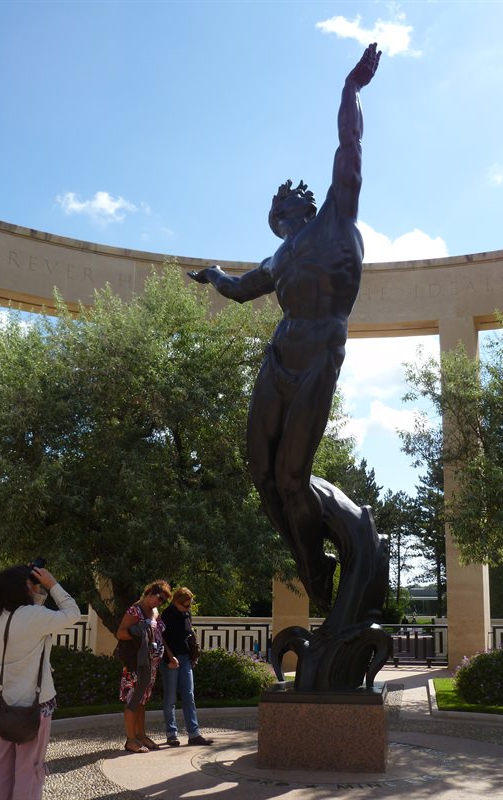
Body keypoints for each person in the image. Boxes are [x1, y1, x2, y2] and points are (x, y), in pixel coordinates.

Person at [189, 44, 381, 613]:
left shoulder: (336, 221)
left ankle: (326, 569)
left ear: (301, 207)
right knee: (261, 471)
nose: (281, 211)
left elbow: (351, 147)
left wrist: (350, 90)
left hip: (319, 357)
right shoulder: (278, 261)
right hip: (279, 361)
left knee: (292, 476)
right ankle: (309, 561)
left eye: (285, 205)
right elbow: (238, 288)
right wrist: (213, 273)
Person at [0, 564, 81, 800]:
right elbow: (73, 613)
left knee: (0, 767)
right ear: (22, 588)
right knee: (29, 768)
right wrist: (52, 584)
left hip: (3, 705)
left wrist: (34, 588)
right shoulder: (35, 617)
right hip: (34, 706)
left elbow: (28, 616)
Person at [116, 580, 171, 753]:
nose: (159, 601)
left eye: (163, 600)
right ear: (149, 592)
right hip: (136, 663)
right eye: (158, 597)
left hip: (150, 664)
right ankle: (130, 740)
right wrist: (135, 631)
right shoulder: (135, 610)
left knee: (142, 700)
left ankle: (141, 735)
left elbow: (160, 634)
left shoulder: (154, 611)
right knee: (133, 699)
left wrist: (170, 656)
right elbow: (121, 633)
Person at [160, 587, 212, 747]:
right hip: (170, 659)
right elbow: (161, 639)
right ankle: (171, 734)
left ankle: (194, 734)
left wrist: (193, 653)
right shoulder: (166, 615)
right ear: (176, 601)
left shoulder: (186, 614)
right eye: (186, 605)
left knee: (189, 695)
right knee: (170, 698)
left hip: (185, 658)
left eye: (190, 605)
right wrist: (170, 657)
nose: (188, 609)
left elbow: (189, 632)